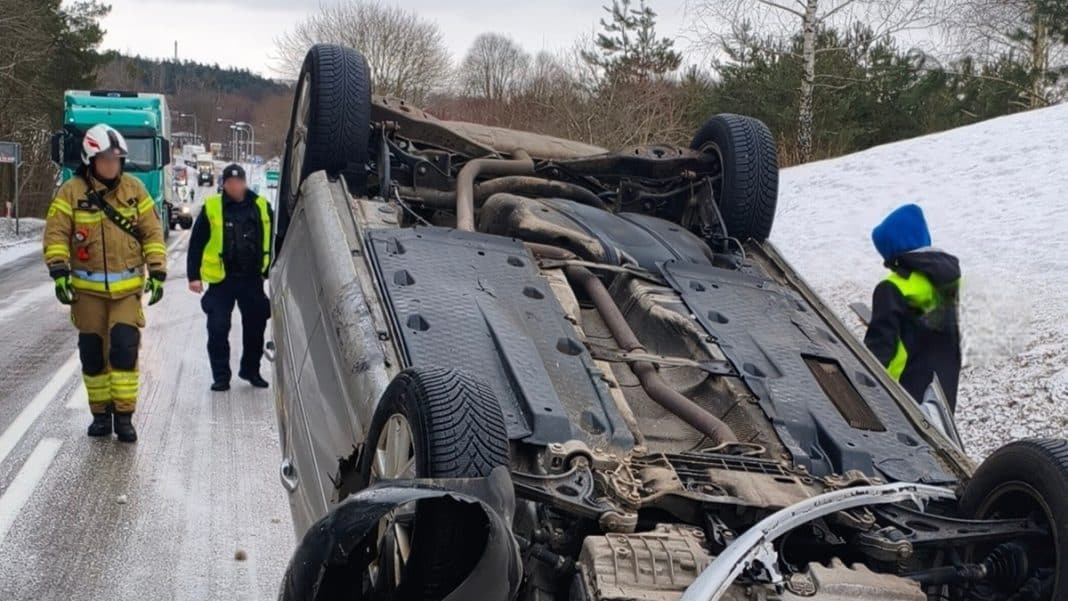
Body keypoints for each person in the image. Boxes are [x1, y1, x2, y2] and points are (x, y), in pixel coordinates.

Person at [42, 124, 168, 442]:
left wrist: (158, 272)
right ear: (90, 160)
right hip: (86, 293)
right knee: (93, 355)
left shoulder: (134, 190)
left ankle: (124, 417)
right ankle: (100, 414)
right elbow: (57, 233)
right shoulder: (70, 192)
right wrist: (58, 271)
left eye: (116, 159)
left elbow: (152, 232)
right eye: (105, 160)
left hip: (126, 292)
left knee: (124, 349)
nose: (112, 165)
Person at [864, 204, 962, 410]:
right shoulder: (948, 280)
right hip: (940, 395)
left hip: (900, 396)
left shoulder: (892, 288)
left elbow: (881, 348)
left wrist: (865, 390)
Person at [186, 164, 273, 391]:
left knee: (255, 327)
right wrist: (193, 276)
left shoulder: (261, 206)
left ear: (244, 183)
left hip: (252, 278)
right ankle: (221, 376)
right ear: (224, 185)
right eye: (230, 183)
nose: (235, 186)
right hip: (222, 280)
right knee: (217, 328)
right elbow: (196, 243)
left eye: (239, 182)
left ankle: (251, 370)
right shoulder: (212, 207)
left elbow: (275, 239)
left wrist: (273, 268)